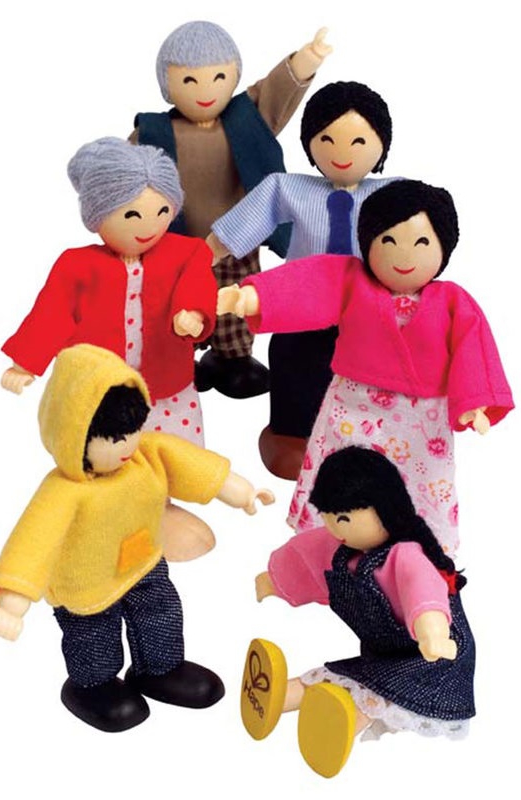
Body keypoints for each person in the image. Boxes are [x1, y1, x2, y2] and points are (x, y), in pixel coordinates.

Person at [218, 180, 514, 556]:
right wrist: (252, 297)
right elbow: (307, 285)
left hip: (421, 419)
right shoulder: (351, 280)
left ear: (444, 247)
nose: (404, 255)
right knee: (341, 468)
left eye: (421, 243)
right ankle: (328, 537)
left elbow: (474, 350)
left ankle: (419, 547)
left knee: (421, 479)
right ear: (369, 241)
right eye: (388, 241)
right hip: (353, 405)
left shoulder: (453, 300)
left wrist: (476, 401)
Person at [0, 344, 274, 732]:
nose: (126, 445)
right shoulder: (63, 492)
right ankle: (93, 685)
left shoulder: (146, 455)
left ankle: (159, 668)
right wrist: (12, 600)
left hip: (142, 562)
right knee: (94, 637)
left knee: (161, 613)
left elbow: (191, 466)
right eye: (112, 438)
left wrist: (241, 492)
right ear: (74, 437)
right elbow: (32, 541)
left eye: (132, 431)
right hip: (86, 584)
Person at [0, 136, 219, 560]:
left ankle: (159, 508)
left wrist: (192, 312)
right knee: (106, 450)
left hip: (166, 384)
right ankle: (103, 513)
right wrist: (26, 362)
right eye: (131, 214)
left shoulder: (187, 251)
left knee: (167, 451)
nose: (149, 224)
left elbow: (197, 283)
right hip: (101, 391)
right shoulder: (77, 264)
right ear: (98, 216)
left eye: (162, 211)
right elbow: (53, 312)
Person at [241, 446, 475, 778]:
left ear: (385, 510)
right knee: (344, 677)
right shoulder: (339, 548)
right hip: (385, 652)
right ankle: (276, 697)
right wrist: (275, 581)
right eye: (327, 516)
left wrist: (433, 630)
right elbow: (303, 559)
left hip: (436, 658)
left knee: (373, 693)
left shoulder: (406, 555)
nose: (334, 528)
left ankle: (336, 730)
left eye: (344, 519)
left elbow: (424, 591)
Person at [131, 20, 332, 398]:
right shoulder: (154, 132)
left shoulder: (247, 117)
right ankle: (176, 357)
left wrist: (308, 58)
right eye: (189, 80)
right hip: (177, 242)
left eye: (218, 77)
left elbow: (277, 89)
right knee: (172, 303)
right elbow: (122, 173)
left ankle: (232, 357)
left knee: (235, 297)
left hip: (237, 239)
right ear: (167, 84)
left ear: (234, 75)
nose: (205, 90)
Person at [209, 82, 396, 478]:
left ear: (382, 144)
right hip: (301, 305)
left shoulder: (393, 195)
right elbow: (245, 221)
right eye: (327, 139)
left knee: (368, 372)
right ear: (310, 142)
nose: (342, 152)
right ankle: (291, 435)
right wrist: (200, 257)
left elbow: (424, 229)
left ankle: (366, 437)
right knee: (294, 362)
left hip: (366, 308)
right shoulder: (289, 187)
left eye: (359, 141)